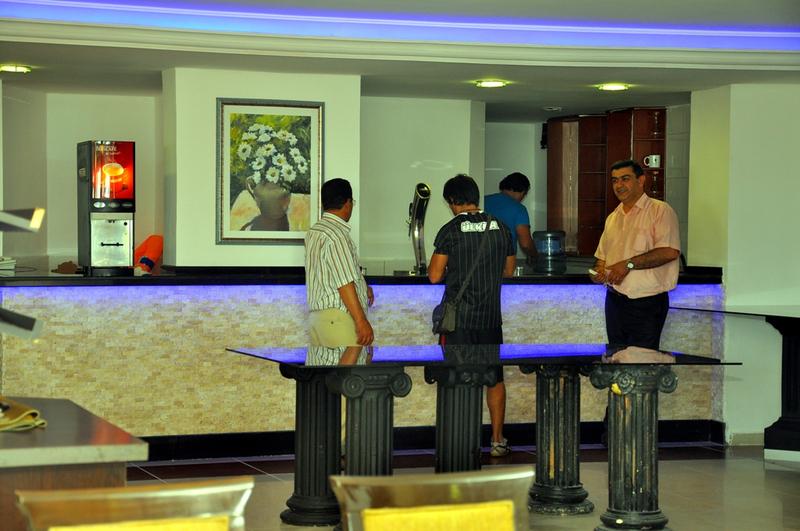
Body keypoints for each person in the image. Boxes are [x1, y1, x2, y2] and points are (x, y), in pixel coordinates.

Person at [428, 174, 516, 457]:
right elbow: (508, 270)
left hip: (459, 321)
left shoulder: (451, 230)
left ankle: (460, 442)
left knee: (457, 376)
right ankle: (497, 440)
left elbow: (434, 276)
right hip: (490, 318)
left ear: (453, 201)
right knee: (494, 378)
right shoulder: (501, 227)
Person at [591, 159, 681, 351]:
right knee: (616, 358)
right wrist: (598, 272)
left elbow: (669, 251)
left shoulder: (660, 211)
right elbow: (602, 259)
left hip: (647, 302)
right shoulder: (613, 218)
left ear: (641, 180)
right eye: (614, 180)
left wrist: (628, 264)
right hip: (614, 300)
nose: (619, 185)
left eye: (625, 179)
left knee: (641, 362)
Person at [305, 178, 375, 347]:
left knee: (323, 365)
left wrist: (363, 286)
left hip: (318, 320)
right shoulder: (337, 235)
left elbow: (328, 272)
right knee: (348, 365)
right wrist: (361, 321)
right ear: (348, 203)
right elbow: (344, 283)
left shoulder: (315, 231)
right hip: (339, 320)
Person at [484, 172, 538, 261]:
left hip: (479, 260)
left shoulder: (482, 201)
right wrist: (536, 256)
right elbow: (526, 244)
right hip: (504, 261)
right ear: (522, 191)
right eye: (524, 194)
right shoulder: (519, 208)